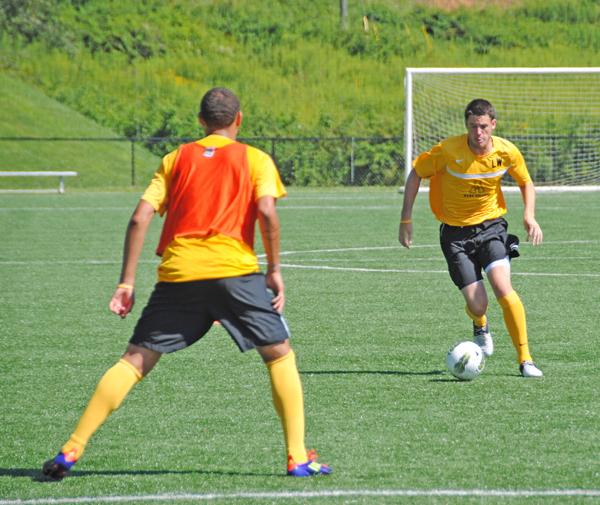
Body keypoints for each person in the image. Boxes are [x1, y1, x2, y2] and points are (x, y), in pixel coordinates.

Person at [42, 87, 331, 480]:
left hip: (179, 273)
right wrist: (274, 268)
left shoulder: (175, 159)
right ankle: (297, 456)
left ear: (200, 121)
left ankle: (71, 449)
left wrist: (126, 282)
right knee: (279, 354)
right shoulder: (256, 159)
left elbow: (139, 218)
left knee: (134, 361)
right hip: (235, 272)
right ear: (239, 119)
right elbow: (266, 210)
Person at [398, 98, 544, 378]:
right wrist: (406, 219)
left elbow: (526, 181)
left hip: (491, 228)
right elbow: (416, 173)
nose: (478, 133)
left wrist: (529, 215)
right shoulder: (447, 151)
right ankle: (480, 322)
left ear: (493, 125)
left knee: (503, 288)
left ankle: (526, 360)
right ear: (466, 125)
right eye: (473, 127)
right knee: (479, 304)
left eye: (483, 127)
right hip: (455, 235)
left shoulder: (506, 151)